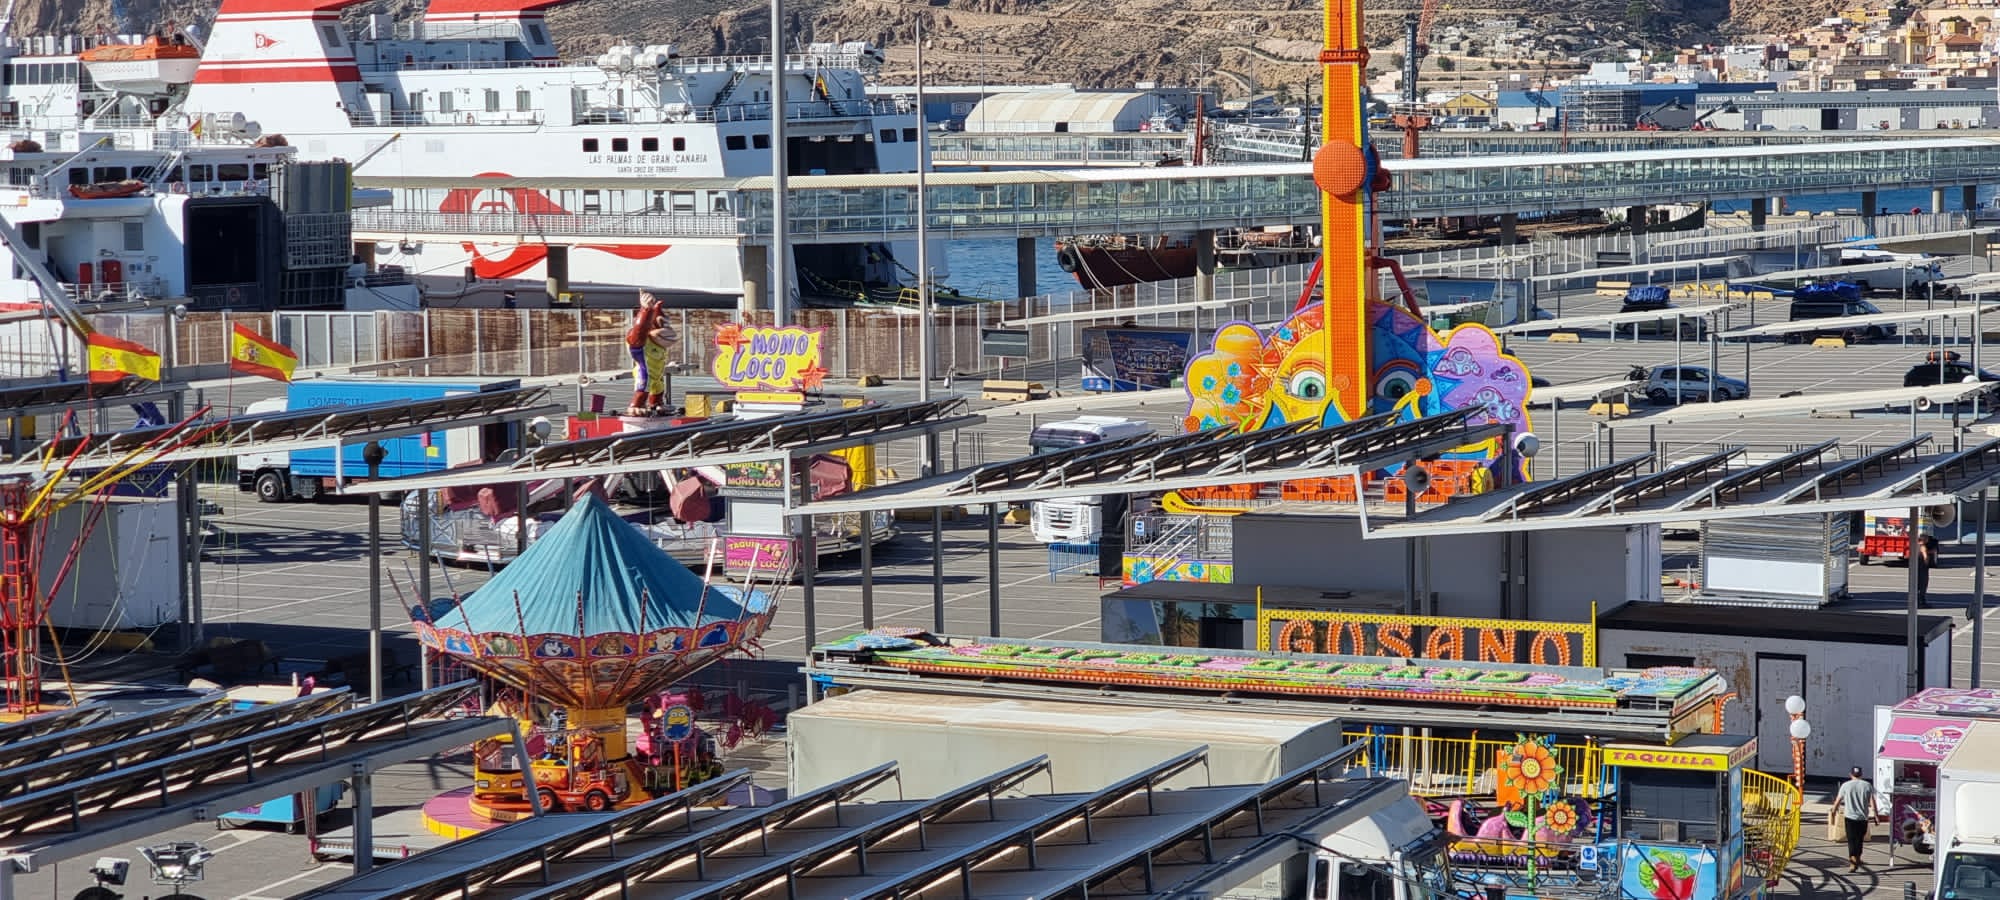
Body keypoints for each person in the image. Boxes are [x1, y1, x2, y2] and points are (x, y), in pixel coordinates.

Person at [624, 292, 673, 416]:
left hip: (657, 372)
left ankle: (656, 403)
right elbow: (639, 330)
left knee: (658, 386)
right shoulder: (643, 340)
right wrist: (646, 310)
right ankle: (636, 404)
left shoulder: (660, 344)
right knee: (644, 386)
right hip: (645, 370)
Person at [1837, 765, 1879, 872]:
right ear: (1861, 774)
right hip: (1863, 818)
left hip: (1850, 817)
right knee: (1859, 840)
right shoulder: (1867, 785)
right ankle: (1857, 858)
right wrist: (1876, 815)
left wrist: (1833, 811)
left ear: (1850, 774)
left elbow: (1838, 800)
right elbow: (1872, 802)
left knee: (1851, 840)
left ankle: (1853, 862)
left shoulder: (1845, 786)